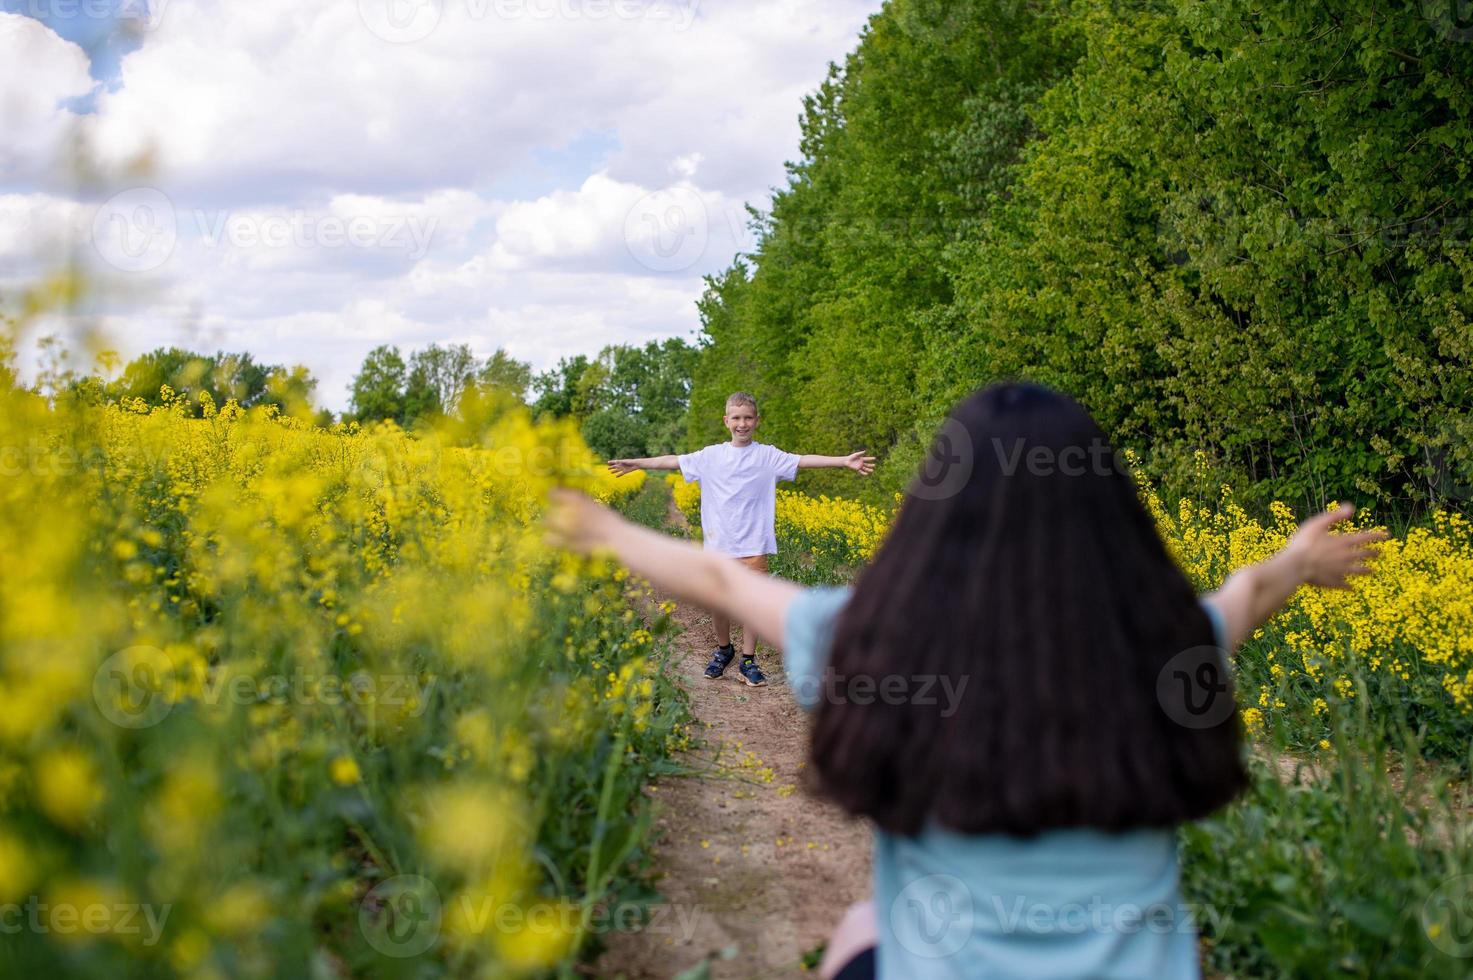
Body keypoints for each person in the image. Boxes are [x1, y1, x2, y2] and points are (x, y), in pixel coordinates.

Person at [553, 383, 1386, 978]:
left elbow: (726, 584)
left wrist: (604, 532)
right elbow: (1245, 596)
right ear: (1108, 512)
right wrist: (1298, 560)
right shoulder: (1162, 643)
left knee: (861, 928)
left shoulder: (876, 641)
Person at [607, 391, 874, 686]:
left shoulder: (768, 456)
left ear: (757, 421)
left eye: (748, 418)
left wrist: (843, 461)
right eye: (736, 418)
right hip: (719, 545)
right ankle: (724, 651)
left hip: (755, 544)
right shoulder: (710, 456)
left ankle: (748, 660)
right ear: (726, 421)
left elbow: (803, 460)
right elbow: (673, 461)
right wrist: (638, 463)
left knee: (753, 604)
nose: (742, 424)